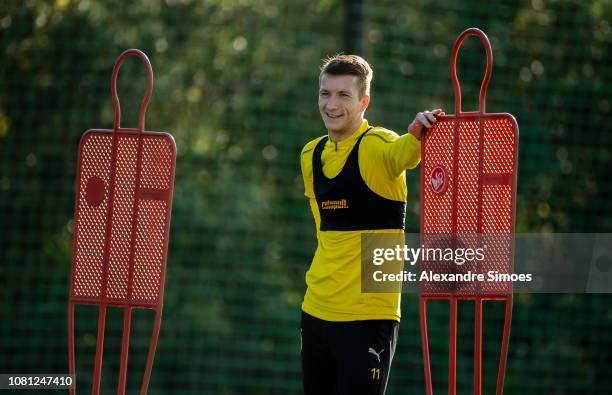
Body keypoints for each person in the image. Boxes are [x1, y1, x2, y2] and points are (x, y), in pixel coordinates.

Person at [299, 54, 444, 395]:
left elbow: (404, 153)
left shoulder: (378, 145)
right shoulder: (310, 155)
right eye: (325, 94)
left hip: (368, 317)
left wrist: (419, 133)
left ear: (364, 102)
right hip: (316, 311)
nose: (331, 105)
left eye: (343, 95)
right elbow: (325, 232)